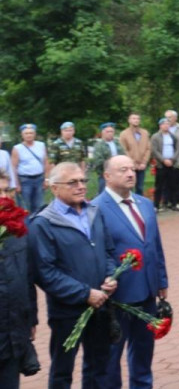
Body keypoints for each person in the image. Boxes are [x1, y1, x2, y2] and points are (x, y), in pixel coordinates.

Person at [29, 162, 118, 389]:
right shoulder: (43, 223)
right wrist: (85, 294)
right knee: (62, 371)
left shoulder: (94, 212)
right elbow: (45, 273)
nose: (81, 186)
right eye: (72, 182)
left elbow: (108, 251)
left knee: (99, 367)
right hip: (67, 311)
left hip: (100, 306)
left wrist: (111, 275)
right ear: (54, 188)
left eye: (82, 180)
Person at [94, 156, 168, 389]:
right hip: (117, 295)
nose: (130, 174)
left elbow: (155, 245)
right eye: (123, 170)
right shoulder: (96, 208)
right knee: (112, 354)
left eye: (133, 169)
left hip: (147, 290)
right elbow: (99, 253)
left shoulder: (144, 204)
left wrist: (161, 280)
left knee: (144, 350)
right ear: (107, 176)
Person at [0, 171, 39, 385]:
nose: (4, 197)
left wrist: (31, 318)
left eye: (7, 190)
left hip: (13, 329)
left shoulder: (17, 228)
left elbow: (27, 277)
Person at [12, 124, 49, 214]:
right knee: (25, 207)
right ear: (22, 135)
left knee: (39, 205)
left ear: (35, 134)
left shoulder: (41, 145)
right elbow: (13, 167)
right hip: (24, 181)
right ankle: (26, 223)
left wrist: (47, 179)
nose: (29, 135)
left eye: (31, 133)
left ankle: (37, 222)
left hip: (39, 179)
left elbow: (46, 162)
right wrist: (16, 184)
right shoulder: (17, 148)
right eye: (26, 133)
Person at [149, 118, 179, 212]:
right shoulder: (155, 137)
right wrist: (163, 160)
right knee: (159, 186)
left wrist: (172, 160)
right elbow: (154, 150)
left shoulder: (173, 136)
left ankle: (174, 203)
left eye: (168, 124)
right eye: (164, 124)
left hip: (172, 164)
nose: (166, 126)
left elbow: (177, 149)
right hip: (161, 165)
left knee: (173, 185)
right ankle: (156, 205)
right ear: (160, 126)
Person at [119, 114, 151, 196]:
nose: (136, 120)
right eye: (133, 118)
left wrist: (144, 162)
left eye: (138, 119)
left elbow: (148, 148)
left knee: (140, 187)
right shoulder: (124, 134)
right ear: (129, 120)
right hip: (129, 166)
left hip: (142, 165)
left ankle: (139, 202)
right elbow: (123, 150)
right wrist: (132, 163)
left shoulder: (145, 133)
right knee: (129, 187)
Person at [88, 123, 124, 195]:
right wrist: (112, 164)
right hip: (105, 174)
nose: (110, 133)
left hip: (119, 173)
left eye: (111, 131)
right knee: (104, 193)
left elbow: (123, 155)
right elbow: (98, 161)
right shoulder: (98, 145)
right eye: (108, 132)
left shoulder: (117, 143)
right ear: (103, 133)